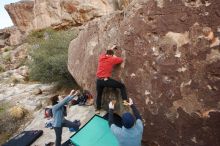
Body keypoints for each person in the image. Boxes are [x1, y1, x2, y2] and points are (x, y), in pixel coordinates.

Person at [95, 45, 128, 114]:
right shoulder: (112, 59)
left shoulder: (101, 57)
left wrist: (111, 48)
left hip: (98, 81)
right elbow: (121, 60)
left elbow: (106, 52)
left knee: (99, 94)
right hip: (106, 81)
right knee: (122, 86)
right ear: (111, 55)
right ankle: (125, 101)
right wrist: (114, 56)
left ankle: (97, 109)